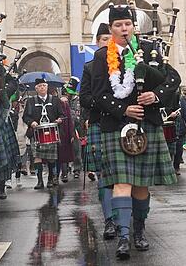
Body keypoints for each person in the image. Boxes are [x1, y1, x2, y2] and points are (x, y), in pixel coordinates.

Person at [89, 5, 180, 260]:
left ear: (132, 26)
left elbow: (172, 80)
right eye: (118, 25)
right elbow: (98, 94)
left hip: (146, 124)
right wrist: (124, 109)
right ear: (111, 29)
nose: (123, 29)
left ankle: (139, 229)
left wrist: (156, 96)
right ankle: (123, 235)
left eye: (127, 24)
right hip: (117, 126)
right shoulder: (100, 58)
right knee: (121, 183)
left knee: (140, 185)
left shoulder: (149, 51)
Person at [79, 23, 116, 238]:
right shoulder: (90, 67)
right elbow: (84, 98)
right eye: (103, 39)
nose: (107, 43)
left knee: (123, 176)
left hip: (122, 125)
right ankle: (109, 219)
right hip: (99, 124)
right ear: (96, 42)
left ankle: (124, 216)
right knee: (104, 175)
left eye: (109, 39)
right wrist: (106, 104)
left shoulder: (125, 63)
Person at [23, 78, 63, 189]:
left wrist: (59, 119)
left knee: (51, 158)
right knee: (37, 157)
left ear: (47, 87)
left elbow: (61, 114)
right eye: (40, 86)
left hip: (50, 132)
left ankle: (50, 179)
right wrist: (31, 122)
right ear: (36, 88)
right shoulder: (31, 101)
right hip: (36, 133)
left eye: (44, 85)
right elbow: (25, 116)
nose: (42, 88)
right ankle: (40, 181)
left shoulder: (54, 100)